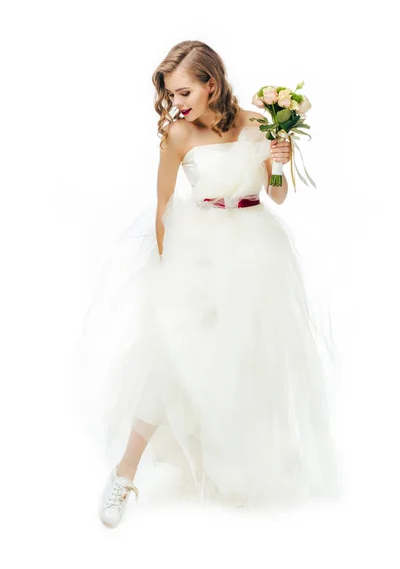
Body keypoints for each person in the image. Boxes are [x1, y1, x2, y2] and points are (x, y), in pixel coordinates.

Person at [72, 40, 343, 528]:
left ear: (210, 84)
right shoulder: (178, 134)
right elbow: (161, 209)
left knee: (245, 358)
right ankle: (123, 474)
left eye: (183, 91)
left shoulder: (258, 123)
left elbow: (278, 195)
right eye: (172, 95)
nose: (176, 103)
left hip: (256, 251)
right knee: (170, 359)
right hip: (197, 253)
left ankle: (234, 469)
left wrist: (279, 159)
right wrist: (167, 270)